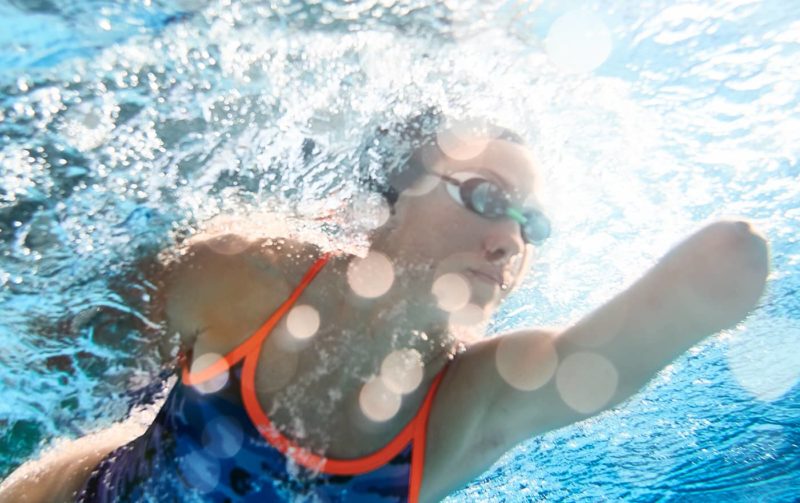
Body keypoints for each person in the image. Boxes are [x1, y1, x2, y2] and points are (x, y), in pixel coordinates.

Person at [0, 111, 769, 503]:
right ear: (388, 201)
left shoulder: (463, 407)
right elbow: (73, 349)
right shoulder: (247, 275)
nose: (509, 240)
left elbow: (620, 348)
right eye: (487, 197)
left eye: (531, 225)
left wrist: (721, 273)